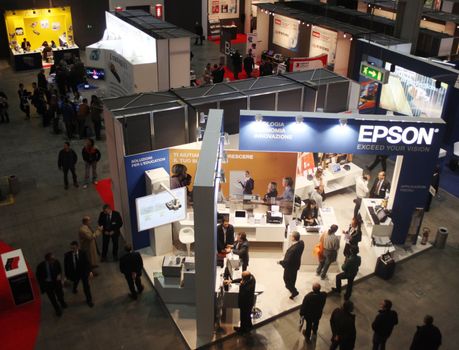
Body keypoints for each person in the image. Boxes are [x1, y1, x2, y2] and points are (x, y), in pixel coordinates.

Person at [64, 241, 94, 307]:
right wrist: (66, 276)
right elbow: (66, 266)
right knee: (75, 282)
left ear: (77, 247)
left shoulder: (83, 253)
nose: (72, 250)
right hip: (74, 273)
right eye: (71, 248)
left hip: (83, 273)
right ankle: (74, 289)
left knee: (86, 287)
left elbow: (87, 263)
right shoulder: (67, 255)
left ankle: (89, 300)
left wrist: (90, 271)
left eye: (74, 248)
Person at [278, 231, 304, 299]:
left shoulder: (292, 250)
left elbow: (287, 261)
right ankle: (292, 287)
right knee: (293, 278)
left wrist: (280, 262)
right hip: (296, 265)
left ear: (293, 238)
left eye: (292, 236)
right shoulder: (301, 243)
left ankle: (294, 291)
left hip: (290, 267)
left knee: (286, 279)